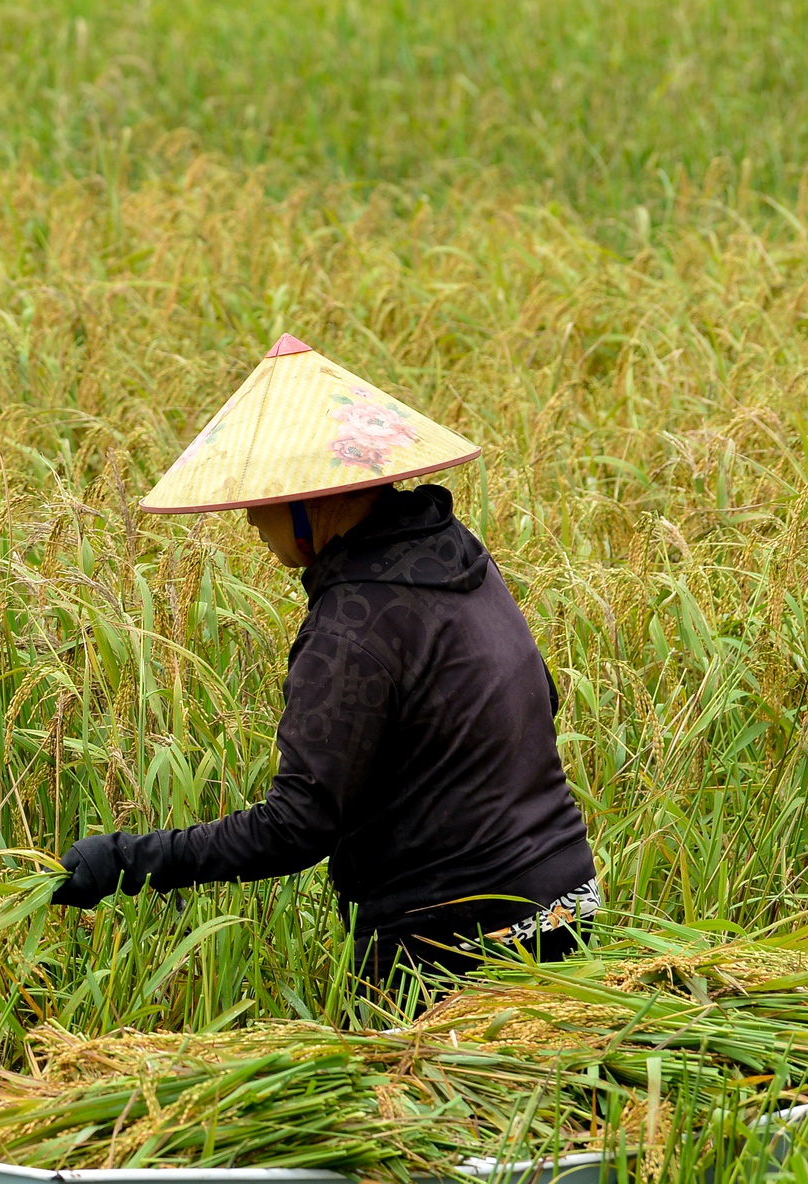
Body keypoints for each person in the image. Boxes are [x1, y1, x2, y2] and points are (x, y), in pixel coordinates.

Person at [50, 335, 598, 985]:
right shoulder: (455, 553)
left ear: (316, 498)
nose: (250, 518)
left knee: (405, 1090)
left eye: (265, 496)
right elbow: (540, 696)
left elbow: (297, 825)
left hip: (459, 942)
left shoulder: (352, 626)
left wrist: (125, 860)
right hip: (566, 900)